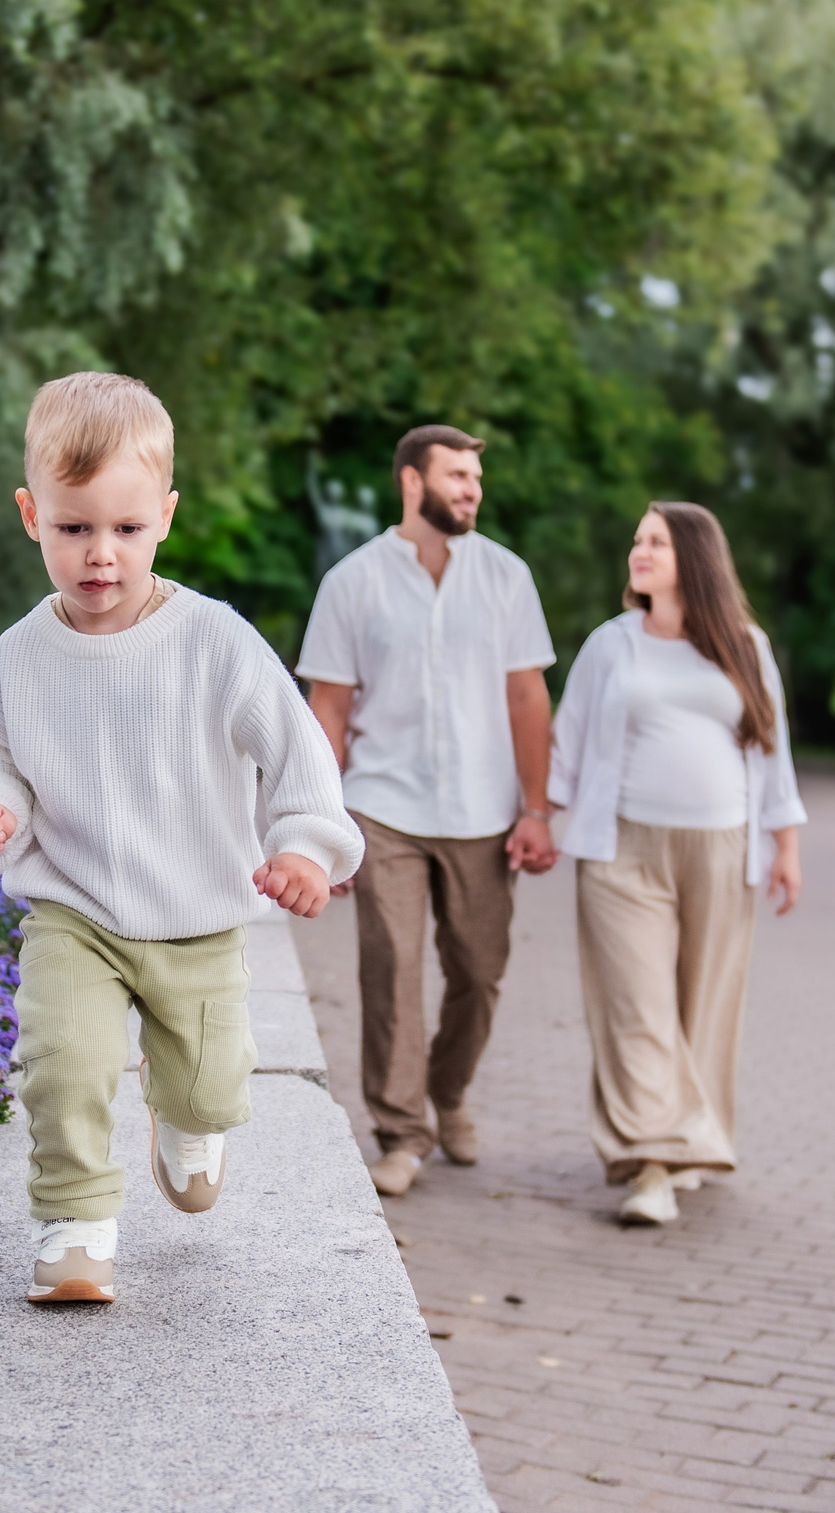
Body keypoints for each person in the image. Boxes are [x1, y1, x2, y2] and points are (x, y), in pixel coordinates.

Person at [0, 371, 363, 1304]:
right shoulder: (20, 654)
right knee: (63, 1062)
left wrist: (303, 846)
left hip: (197, 914)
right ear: (31, 515)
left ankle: (185, 1115)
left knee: (212, 1086)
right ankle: (75, 1224)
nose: (102, 554)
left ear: (166, 517)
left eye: (126, 529)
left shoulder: (216, 642)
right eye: (75, 527)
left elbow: (299, 753)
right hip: (75, 908)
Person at [297, 425, 558, 1200]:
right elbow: (329, 711)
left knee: (480, 972)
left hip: (485, 808)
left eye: (477, 476)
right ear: (412, 481)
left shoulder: (508, 577)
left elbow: (526, 696)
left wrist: (536, 808)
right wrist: (321, 824)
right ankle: (402, 1130)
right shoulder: (352, 581)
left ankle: (448, 1092)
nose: (472, 489)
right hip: (383, 807)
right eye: (457, 475)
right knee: (393, 970)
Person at [546, 501, 805, 1226]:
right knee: (637, 1003)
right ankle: (652, 1162)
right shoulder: (612, 644)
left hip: (721, 848)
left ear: (694, 555)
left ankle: (693, 1143)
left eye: (655, 540)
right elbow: (567, 740)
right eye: (636, 539)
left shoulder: (745, 645)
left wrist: (786, 846)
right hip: (622, 847)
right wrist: (540, 819)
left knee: (705, 1002)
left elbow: (772, 750)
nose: (640, 550)